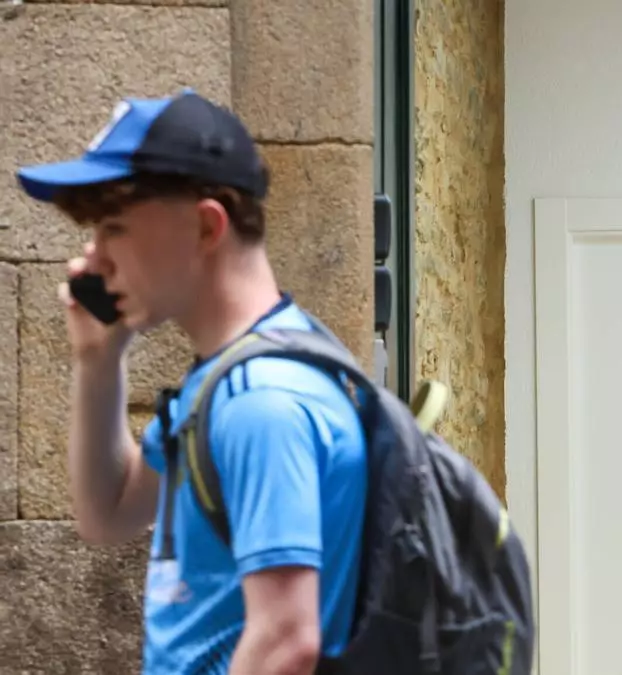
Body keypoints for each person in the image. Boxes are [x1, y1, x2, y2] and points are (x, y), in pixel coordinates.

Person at [16, 89, 367, 674]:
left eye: (114, 228)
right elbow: (108, 514)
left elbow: (285, 641)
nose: (93, 258)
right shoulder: (225, 380)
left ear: (206, 226)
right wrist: (99, 361)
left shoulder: (262, 401)